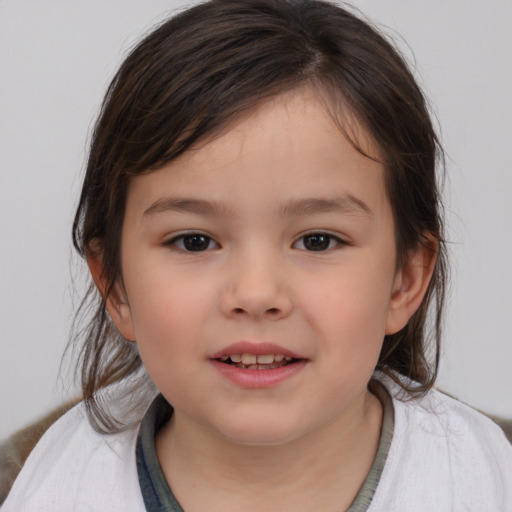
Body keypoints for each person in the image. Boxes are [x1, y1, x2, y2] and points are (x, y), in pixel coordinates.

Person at [3, 0, 511, 510]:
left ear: (406, 278)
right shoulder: (29, 483)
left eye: (318, 240)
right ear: (114, 284)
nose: (256, 294)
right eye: (194, 241)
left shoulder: (488, 477)